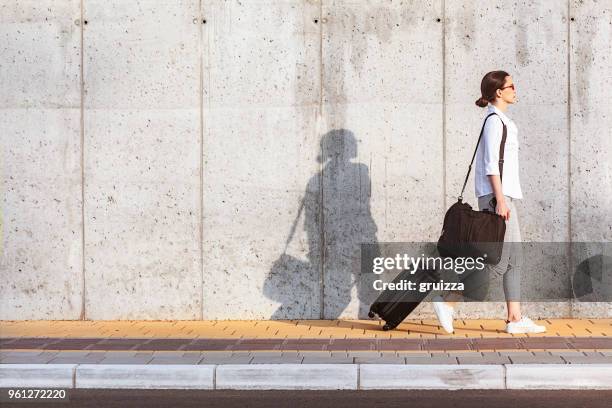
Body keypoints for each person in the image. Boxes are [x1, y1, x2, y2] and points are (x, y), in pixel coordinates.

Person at [431, 71, 546, 334]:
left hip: (503, 197)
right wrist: (500, 200)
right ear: (498, 92)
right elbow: (490, 165)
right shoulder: (495, 121)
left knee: (514, 260)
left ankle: (515, 319)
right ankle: (448, 301)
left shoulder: (502, 120)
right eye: (511, 86)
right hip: (498, 198)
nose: (515, 90)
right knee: (500, 262)